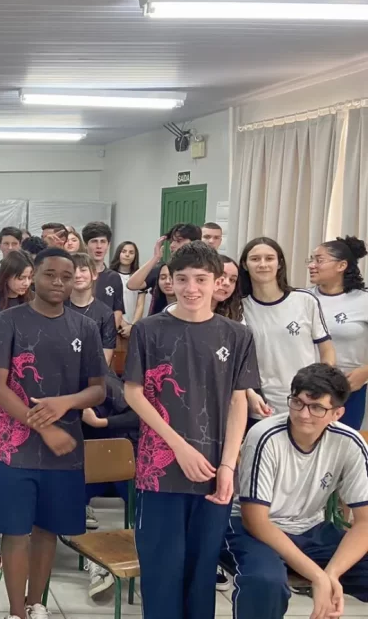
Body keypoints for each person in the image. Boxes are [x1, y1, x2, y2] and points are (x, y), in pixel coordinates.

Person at [124, 242, 259, 619]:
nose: (191, 288)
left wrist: (229, 465)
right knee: (162, 570)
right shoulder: (149, 330)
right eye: (181, 279)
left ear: (219, 283)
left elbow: (238, 402)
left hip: (214, 470)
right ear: (169, 282)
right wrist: (178, 445)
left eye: (201, 279)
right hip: (161, 469)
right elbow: (133, 392)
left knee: (202, 574)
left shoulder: (237, 336)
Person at [0, 247, 107, 619]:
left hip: (64, 450)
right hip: (15, 448)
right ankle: (16, 611)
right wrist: (44, 427)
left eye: (66, 277)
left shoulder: (84, 326)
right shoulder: (9, 321)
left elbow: (98, 388)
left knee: (47, 530)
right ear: (34, 275)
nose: (58, 283)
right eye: (50, 274)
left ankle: (37, 606)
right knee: (16, 532)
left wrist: (66, 403)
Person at [225, 363, 368, 619]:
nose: (304, 414)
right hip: (250, 529)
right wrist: (317, 576)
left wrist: (331, 574)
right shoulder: (265, 435)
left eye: (317, 407)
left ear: (337, 413)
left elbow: (365, 523)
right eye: (298, 403)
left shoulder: (350, 442)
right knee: (265, 582)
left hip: (311, 528)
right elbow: (255, 520)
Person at [240, 236, 335, 419]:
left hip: (305, 403)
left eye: (269, 258)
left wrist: (320, 385)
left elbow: (327, 350)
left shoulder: (304, 300)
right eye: (255, 259)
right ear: (245, 264)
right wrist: (249, 392)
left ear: (280, 263)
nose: (263, 264)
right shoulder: (239, 308)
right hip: (261, 407)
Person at [80, 373, 140, 598]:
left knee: (143, 505)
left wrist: (100, 422)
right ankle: (96, 564)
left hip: (117, 460)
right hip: (79, 465)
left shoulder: (104, 380)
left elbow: (138, 414)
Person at [308, 236, 368, 430]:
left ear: (341, 265)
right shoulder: (302, 299)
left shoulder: (363, 301)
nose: (311, 265)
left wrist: (365, 372)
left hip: (351, 390)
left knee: (343, 448)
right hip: (308, 388)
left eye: (319, 260)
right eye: (311, 259)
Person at [67, 253, 116, 365]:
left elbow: (104, 360)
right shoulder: (58, 307)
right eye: (73, 271)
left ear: (94, 274)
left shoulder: (106, 313)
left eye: (83, 270)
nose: (78, 275)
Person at [126, 222, 202, 294]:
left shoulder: (202, 269)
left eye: (178, 241)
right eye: (171, 241)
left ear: (194, 243)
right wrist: (155, 258)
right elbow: (132, 285)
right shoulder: (163, 269)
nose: (172, 245)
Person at [0, 250, 33, 348]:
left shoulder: (34, 300)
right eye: (21, 278)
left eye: (29, 278)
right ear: (6, 276)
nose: (26, 283)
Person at [111, 241, 143, 333]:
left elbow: (140, 305)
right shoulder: (110, 276)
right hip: (115, 324)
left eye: (131, 252)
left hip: (134, 326)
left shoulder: (139, 278)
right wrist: (121, 322)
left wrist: (133, 326)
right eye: (124, 251)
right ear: (118, 254)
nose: (127, 255)